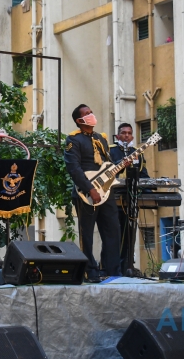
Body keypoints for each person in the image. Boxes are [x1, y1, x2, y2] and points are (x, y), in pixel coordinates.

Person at [64, 104, 121, 282]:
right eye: (87, 113)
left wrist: (120, 167)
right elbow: (74, 168)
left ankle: (111, 270)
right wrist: (90, 189)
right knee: (87, 234)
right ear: (79, 120)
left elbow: (107, 164)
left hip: (106, 192)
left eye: (91, 112)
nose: (91, 115)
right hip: (86, 193)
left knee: (113, 231)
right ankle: (90, 271)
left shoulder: (101, 138)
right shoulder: (73, 140)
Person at [109, 123, 151, 276]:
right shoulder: (110, 151)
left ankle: (127, 267)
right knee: (114, 235)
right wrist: (120, 165)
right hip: (114, 198)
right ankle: (112, 269)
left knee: (129, 235)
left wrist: (149, 189)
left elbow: (143, 174)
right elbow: (106, 172)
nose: (126, 136)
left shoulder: (137, 152)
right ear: (118, 135)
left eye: (129, 133)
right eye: (123, 133)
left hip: (131, 198)